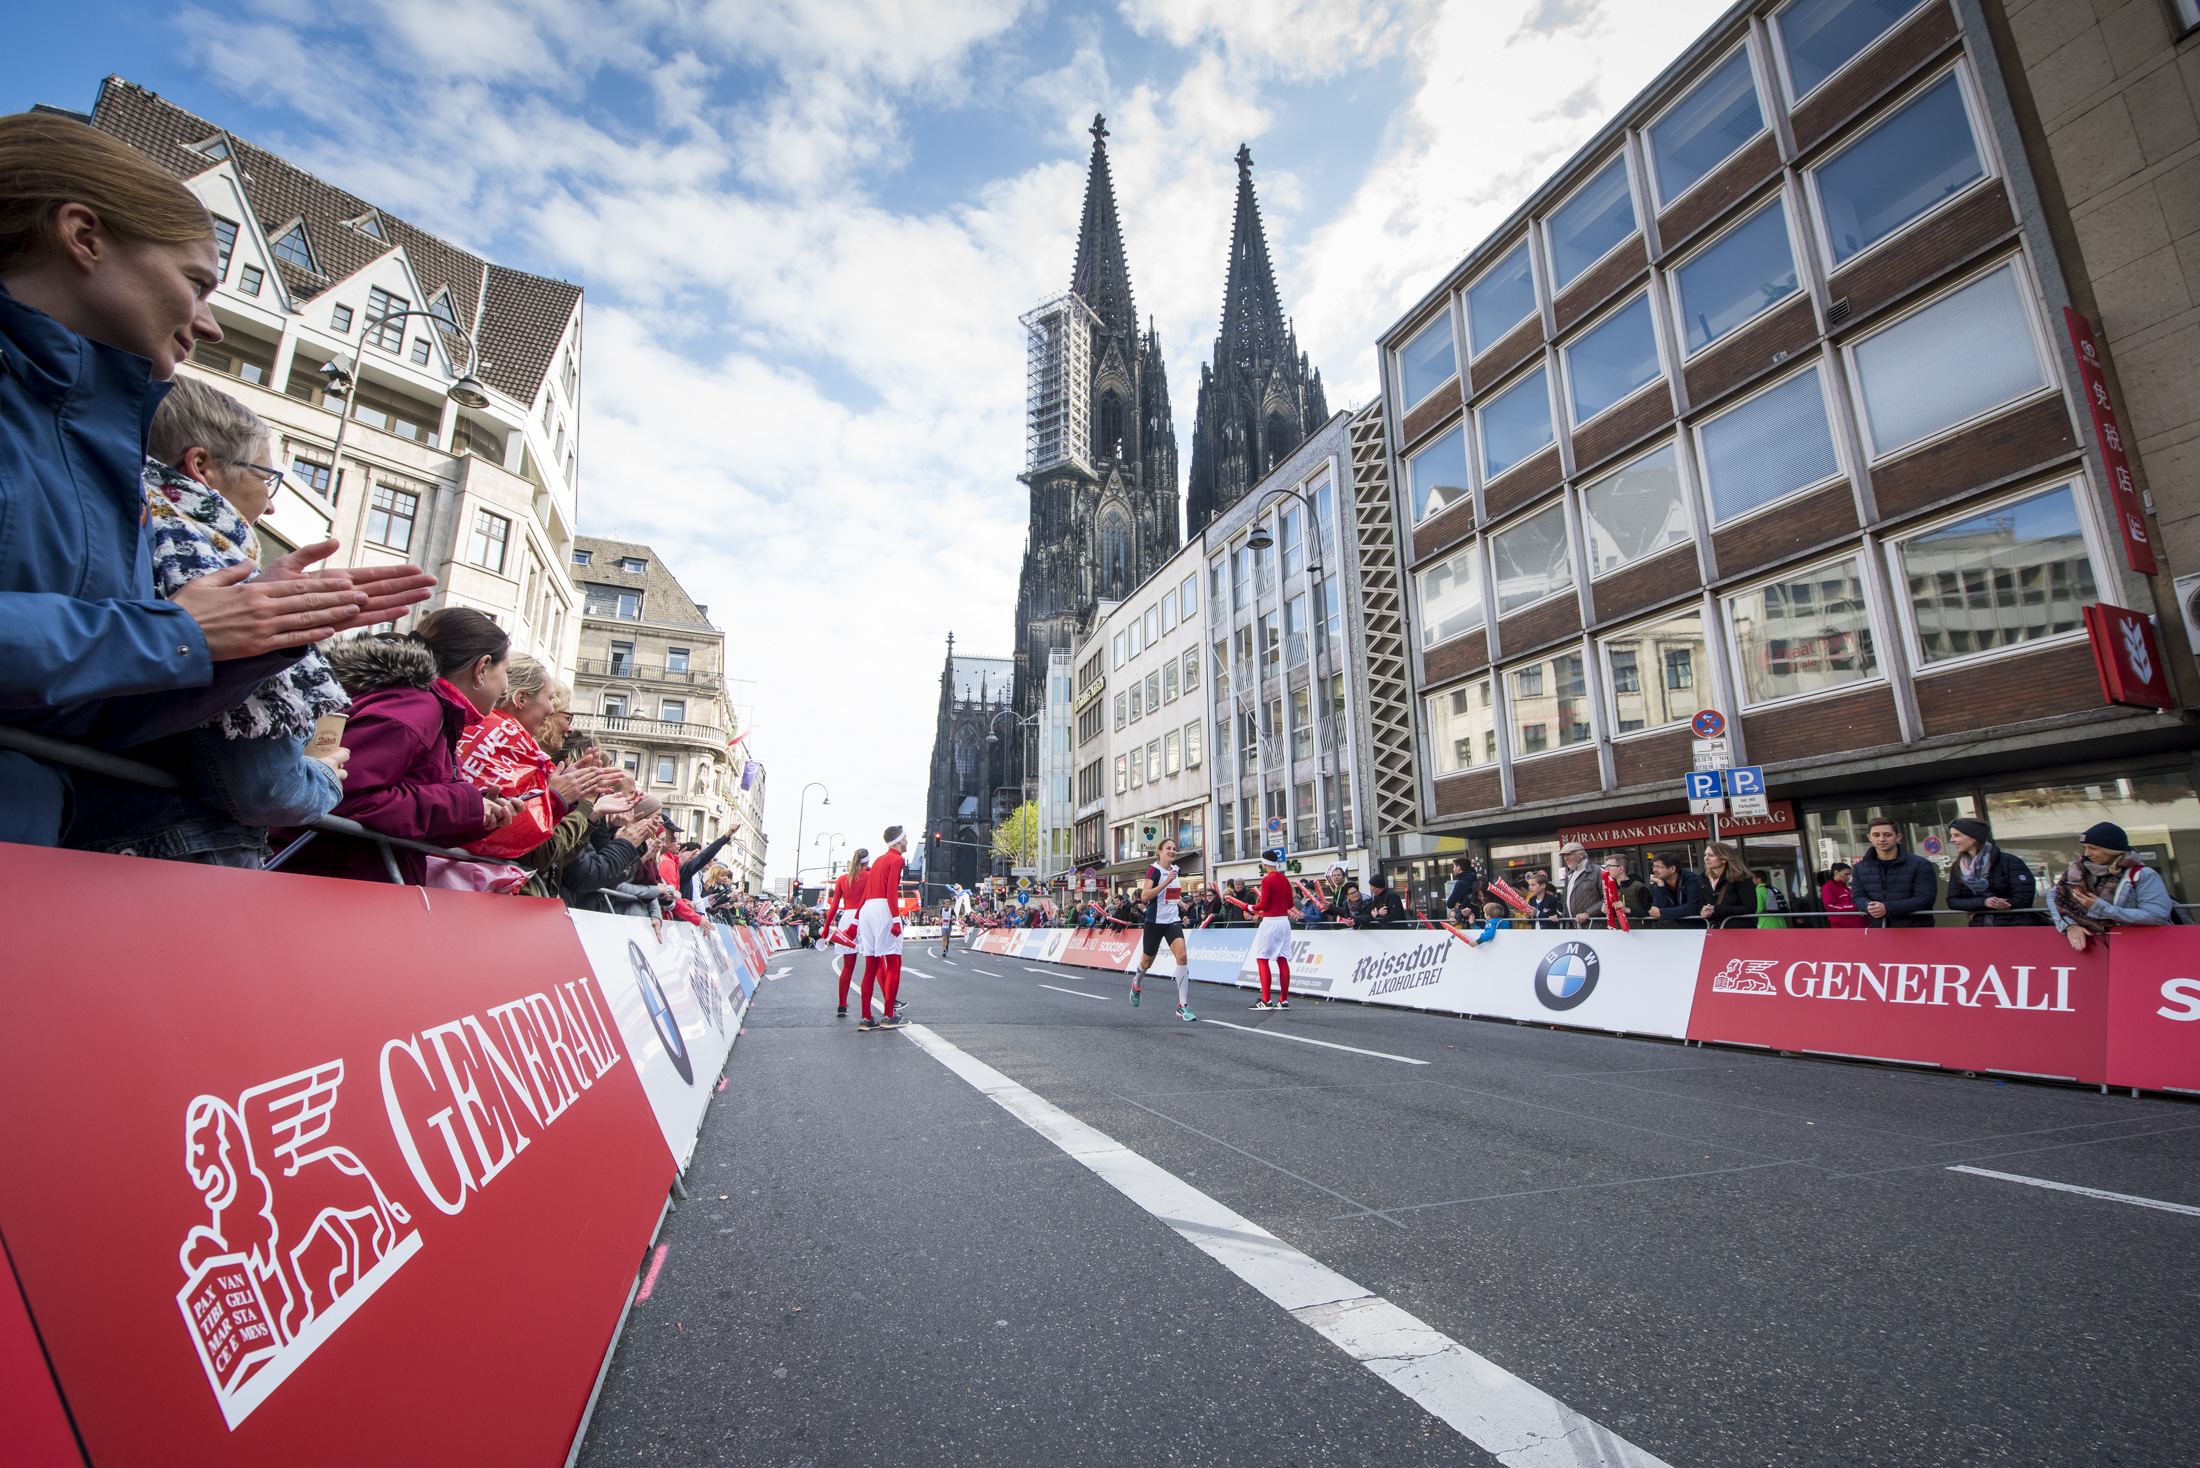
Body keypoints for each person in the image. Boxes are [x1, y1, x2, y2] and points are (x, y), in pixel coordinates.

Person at [0, 116, 435, 844]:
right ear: (83, 236)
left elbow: (80, 717)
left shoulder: (96, 455)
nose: (210, 326)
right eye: (197, 283)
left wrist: (256, 640)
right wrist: (174, 634)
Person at [64, 378, 352, 865]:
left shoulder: (110, 523)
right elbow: (263, 788)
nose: (272, 501)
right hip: (174, 848)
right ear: (202, 467)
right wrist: (322, 775)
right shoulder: (198, 557)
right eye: (267, 477)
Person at [278, 611, 521, 883]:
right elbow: (335, 796)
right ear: (482, 668)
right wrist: (462, 804)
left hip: (342, 880)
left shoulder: (431, 710)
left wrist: (477, 814)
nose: (505, 690)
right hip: (331, 886)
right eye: (506, 673)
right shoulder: (415, 710)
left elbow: (400, 818)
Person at [2052, 822, 2173, 951]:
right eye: (2085, 847)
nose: (2087, 854)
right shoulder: (2078, 870)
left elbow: (2157, 915)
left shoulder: (2143, 874)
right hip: (2099, 948)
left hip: (2146, 946)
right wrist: (2070, 926)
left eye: (2093, 848)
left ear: (2111, 850)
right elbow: (2055, 897)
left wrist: (2103, 908)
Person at [1132, 836, 1194, 1015]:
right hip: (1154, 921)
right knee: (1146, 963)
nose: (1172, 851)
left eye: (1174, 849)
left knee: (1182, 956)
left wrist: (1180, 902)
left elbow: (1172, 893)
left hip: (1172, 920)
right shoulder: (1154, 870)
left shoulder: (1177, 869)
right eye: (1168, 848)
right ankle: (1136, 985)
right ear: (1160, 852)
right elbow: (1145, 896)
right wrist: (1166, 881)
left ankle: (1182, 1005)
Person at [856, 827, 909, 1030]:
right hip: (883, 910)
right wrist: (896, 919)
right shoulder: (897, 860)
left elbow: (867, 892)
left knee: (871, 965)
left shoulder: (877, 860)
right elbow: (891, 892)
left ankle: (866, 1018)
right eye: (905, 838)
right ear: (898, 840)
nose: (907, 841)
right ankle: (888, 1015)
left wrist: (854, 922)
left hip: (867, 910)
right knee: (894, 961)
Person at [1945, 817, 2039, 927]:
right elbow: (1953, 900)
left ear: (1974, 837)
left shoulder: (2009, 861)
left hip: (2015, 928)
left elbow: (2024, 899)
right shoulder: (1958, 866)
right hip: (1981, 930)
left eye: (1957, 835)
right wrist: (1984, 903)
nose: (1952, 840)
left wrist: (1993, 904)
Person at [1850, 819, 1938, 928]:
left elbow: (1925, 899)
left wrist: (1887, 908)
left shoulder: (1921, 864)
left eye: (1887, 835)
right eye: (1876, 835)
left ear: (1898, 837)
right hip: (1879, 930)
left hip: (1915, 931)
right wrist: (1869, 907)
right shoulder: (1860, 867)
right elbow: (1857, 896)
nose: (1881, 839)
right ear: (1869, 838)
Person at [1245, 847, 1296, 1013]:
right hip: (1284, 922)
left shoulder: (1267, 880)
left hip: (1271, 922)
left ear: (1264, 864)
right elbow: (1290, 904)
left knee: (1262, 958)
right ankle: (1284, 999)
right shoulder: (1285, 880)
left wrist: (1250, 906)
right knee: (1282, 959)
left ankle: (1266, 999)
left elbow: (1264, 904)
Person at [822, 849, 868, 1018]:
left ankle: (842, 1004)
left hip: (847, 917)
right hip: (865, 917)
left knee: (847, 966)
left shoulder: (842, 879)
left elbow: (834, 907)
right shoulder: (869, 877)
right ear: (867, 861)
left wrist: (827, 927)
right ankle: (886, 1003)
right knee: (873, 963)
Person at [1645, 853, 1711, 928]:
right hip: (1676, 928)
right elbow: (1656, 910)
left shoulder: (1691, 880)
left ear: (1672, 869)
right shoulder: (1658, 883)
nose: (1654, 870)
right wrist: (1660, 886)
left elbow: (1692, 907)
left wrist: (1661, 913)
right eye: (1654, 866)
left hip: (1699, 927)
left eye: (1658, 867)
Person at [1701, 842, 1756, 930]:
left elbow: (1750, 908)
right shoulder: (1703, 879)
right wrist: (1704, 912)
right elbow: (1700, 905)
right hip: (1716, 932)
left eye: (1711, 855)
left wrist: (1717, 909)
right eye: (1705, 855)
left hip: (1740, 931)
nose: (1706, 858)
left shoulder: (1741, 878)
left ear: (1724, 859)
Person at [1555, 841, 1600, 926]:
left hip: (1594, 927)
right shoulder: (1569, 876)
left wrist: (1588, 913)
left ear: (1581, 855)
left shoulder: (1598, 872)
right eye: (1564, 855)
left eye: (1569, 854)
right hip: (1574, 928)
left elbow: (1607, 900)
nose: (1566, 858)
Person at [1600, 855, 1650, 929]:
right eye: (1606, 866)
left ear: (1620, 869)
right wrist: (1605, 909)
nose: (1606, 869)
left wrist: (1628, 910)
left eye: (1609, 866)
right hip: (1616, 932)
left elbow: (1650, 911)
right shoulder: (1609, 887)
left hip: (1638, 933)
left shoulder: (1638, 886)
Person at [1820, 863, 1864, 928]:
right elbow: (1830, 906)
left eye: (1850, 875)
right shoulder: (1828, 887)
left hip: (1856, 923)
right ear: (1836, 873)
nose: (1848, 877)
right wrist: (1854, 907)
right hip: (1841, 925)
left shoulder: (1846, 888)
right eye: (1846, 874)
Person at [1445, 857, 1480, 922]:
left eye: (1454, 867)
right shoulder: (1474, 879)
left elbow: (1449, 903)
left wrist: (1455, 904)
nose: (1453, 869)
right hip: (1477, 915)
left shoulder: (1461, 883)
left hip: (1466, 917)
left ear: (1458, 868)